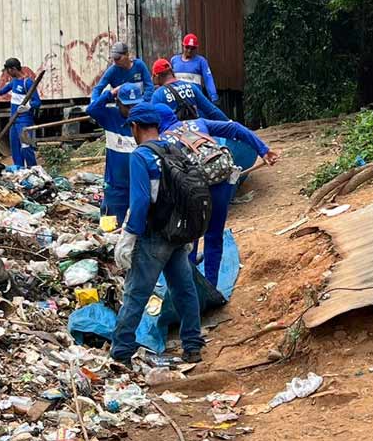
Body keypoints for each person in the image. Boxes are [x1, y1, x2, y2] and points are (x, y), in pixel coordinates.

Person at [110, 103, 204, 366]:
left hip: (154, 236)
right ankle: (192, 346)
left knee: (136, 293)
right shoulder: (175, 150)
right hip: (178, 233)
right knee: (184, 289)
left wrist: (128, 237)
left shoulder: (140, 156)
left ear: (135, 127)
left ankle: (121, 352)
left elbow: (140, 201)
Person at [164, 116, 278, 287]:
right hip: (219, 182)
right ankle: (211, 286)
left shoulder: (162, 139)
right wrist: (264, 150)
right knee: (214, 236)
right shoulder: (199, 123)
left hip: (192, 190)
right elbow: (235, 127)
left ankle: (191, 285)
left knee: (189, 239)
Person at [86, 82, 178, 225]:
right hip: (116, 189)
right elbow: (92, 109)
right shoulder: (110, 117)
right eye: (127, 106)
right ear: (118, 103)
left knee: (142, 224)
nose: (131, 110)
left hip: (142, 185)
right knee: (111, 227)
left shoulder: (145, 120)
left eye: (135, 105)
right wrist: (110, 94)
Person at [0, 58, 41, 169]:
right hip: (13, 120)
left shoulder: (27, 82)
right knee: (15, 147)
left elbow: (37, 102)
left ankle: (33, 169)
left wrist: (28, 106)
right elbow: (6, 88)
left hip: (24, 121)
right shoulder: (14, 81)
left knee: (26, 146)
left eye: (8, 70)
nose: (7, 73)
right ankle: (19, 169)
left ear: (14, 69)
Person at [150, 58, 227, 121]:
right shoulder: (191, 87)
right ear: (172, 72)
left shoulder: (158, 95)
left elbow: (152, 121)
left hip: (174, 133)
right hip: (196, 130)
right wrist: (229, 124)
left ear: (157, 76)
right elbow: (212, 111)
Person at [170, 33, 218, 103]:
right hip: (177, 100)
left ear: (196, 48)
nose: (189, 50)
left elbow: (208, 79)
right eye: (187, 47)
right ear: (183, 46)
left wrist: (213, 96)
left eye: (192, 48)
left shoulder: (201, 61)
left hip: (195, 99)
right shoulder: (174, 60)